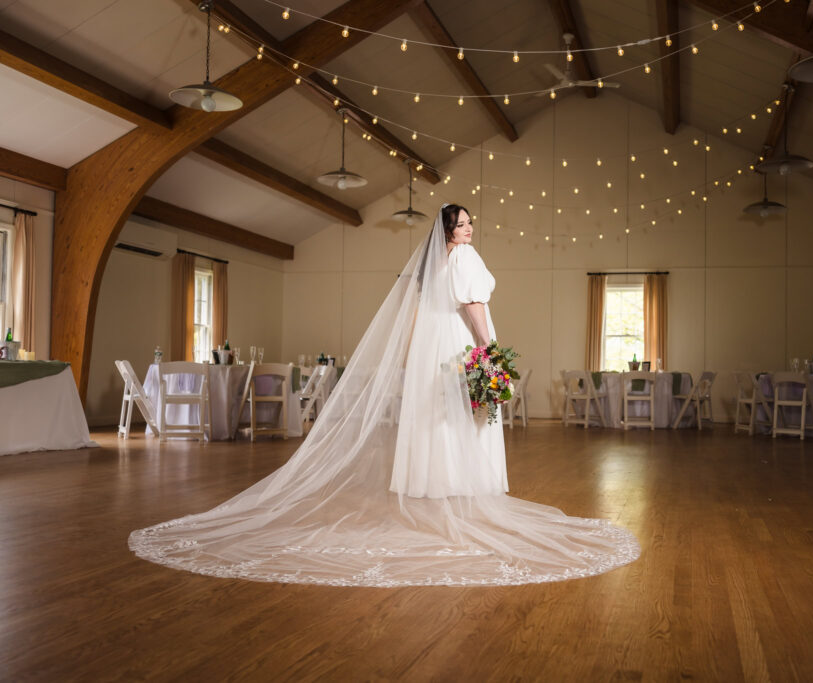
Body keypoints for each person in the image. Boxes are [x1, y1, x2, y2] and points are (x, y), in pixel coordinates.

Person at [130, 204, 639, 587]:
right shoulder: (464, 258)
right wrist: (490, 348)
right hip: (460, 342)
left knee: (438, 416)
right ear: (448, 231)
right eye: (461, 224)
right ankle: (461, 492)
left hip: (433, 348)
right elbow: (473, 306)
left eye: (469, 224)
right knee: (464, 417)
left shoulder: (435, 265)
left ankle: (431, 485)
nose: (469, 230)